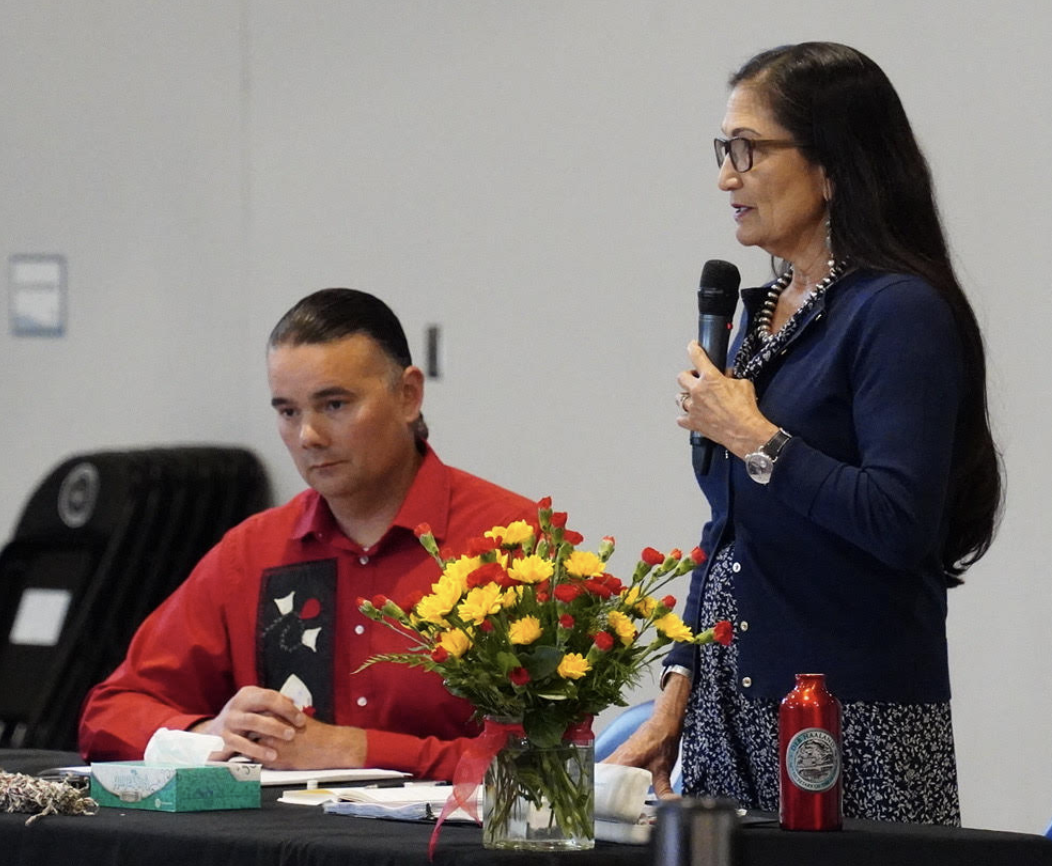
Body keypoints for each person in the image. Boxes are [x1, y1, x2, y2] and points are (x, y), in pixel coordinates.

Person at [608, 42, 1002, 825]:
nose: (727, 176)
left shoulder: (897, 313)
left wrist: (755, 437)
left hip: (851, 717)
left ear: (833, 165)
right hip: (728, 708)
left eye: (748, 149)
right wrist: (678, 687)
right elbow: (729, 532)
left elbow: (898, 520)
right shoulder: (760, 316)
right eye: (724, 150)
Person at [79, 288, 535, 781]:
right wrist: (208, 733)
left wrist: (358, 750)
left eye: (334, 404)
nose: (308, 436)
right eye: (288, 411)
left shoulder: (511, 542)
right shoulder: (252, 551)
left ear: (408, 396)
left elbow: (543, 757)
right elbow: (110, 712)